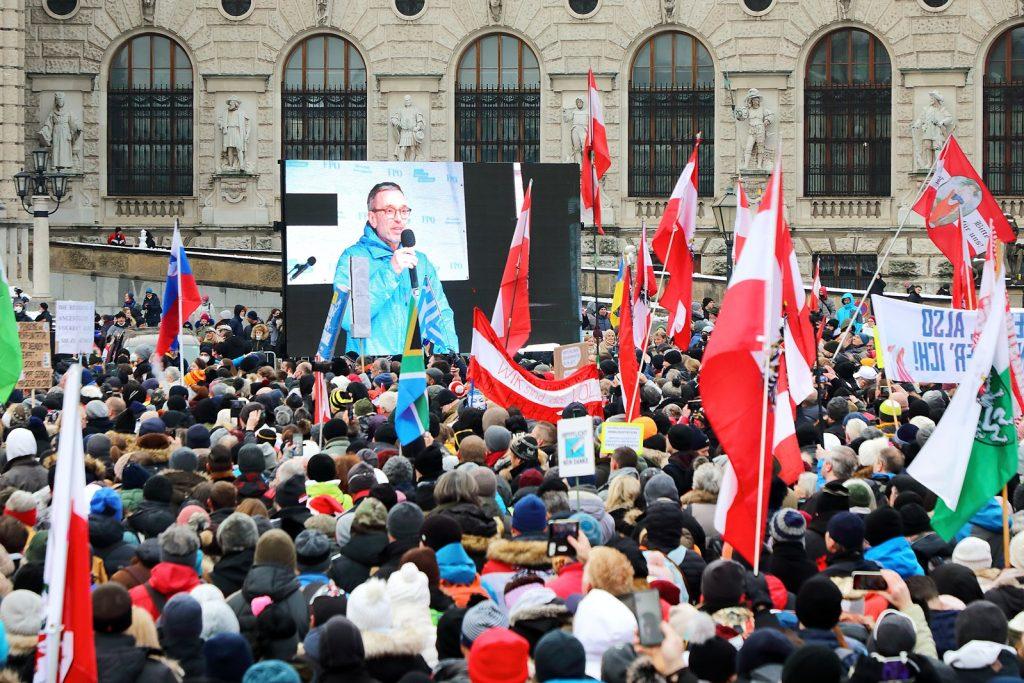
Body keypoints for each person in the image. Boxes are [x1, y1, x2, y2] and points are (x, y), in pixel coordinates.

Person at [326, 181, 458, 355]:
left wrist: (450, 358)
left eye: (403, 211)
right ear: (372, 218)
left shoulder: (421, 261)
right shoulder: (354, 258)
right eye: (389, 211)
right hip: (372, 368)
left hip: (415, 368)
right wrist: (391, 270)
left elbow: (441, 316)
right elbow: (348, 318)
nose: (398, 218)